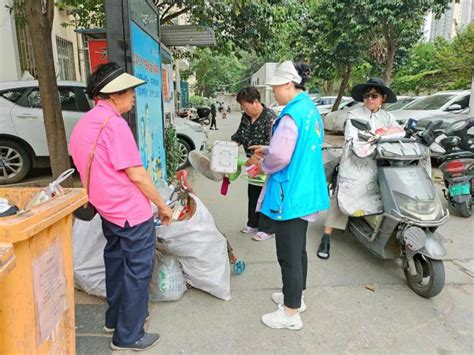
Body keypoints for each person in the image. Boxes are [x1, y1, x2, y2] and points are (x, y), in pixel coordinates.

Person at [70, 63, 172, 351]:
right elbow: (137, 174)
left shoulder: (85, 124)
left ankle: (114, 319)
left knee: (115, 264)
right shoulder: (115, 125)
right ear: (113, 95)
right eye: (129, 92)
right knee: (138, 272)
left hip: (107, 210)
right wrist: (162, 205)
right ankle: (129, 336)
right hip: (131, 214)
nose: (133, 98)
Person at [247, 61, 330, 330]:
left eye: (275, 88)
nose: (274, 93)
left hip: (290, 193)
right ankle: (297, 296)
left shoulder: (291, 115)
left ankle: (291, 312)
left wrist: (262, 163)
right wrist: (269, 149)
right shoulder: (309, 110)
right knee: (298, 249)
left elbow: (282, 156)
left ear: (287, 85)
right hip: (305, 190)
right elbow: (293, 148)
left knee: (288, 254)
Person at [316, 77, 399, 260]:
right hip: (354, 163)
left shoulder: (388, 117)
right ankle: (326, 235)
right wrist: (375, 137)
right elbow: (353, 137)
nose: (369, 99)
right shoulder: (354, 115)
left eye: (374, 95)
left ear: (382, 98)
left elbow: (398, 132)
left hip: (380, 164)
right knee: (343, 196)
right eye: (366, 95)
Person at [231, 87, 276, 241]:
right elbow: (239, 135)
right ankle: (253, 223)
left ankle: (267, 229)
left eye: (246, 106)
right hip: (251, 163)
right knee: (253, 193)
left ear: (256, 102)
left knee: (266, 195)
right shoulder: (246, 117)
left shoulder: (270, 118)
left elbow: (274, 146)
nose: (245, 110)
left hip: (267, 163)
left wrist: (257, 159)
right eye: (243, 107)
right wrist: (226, 150)